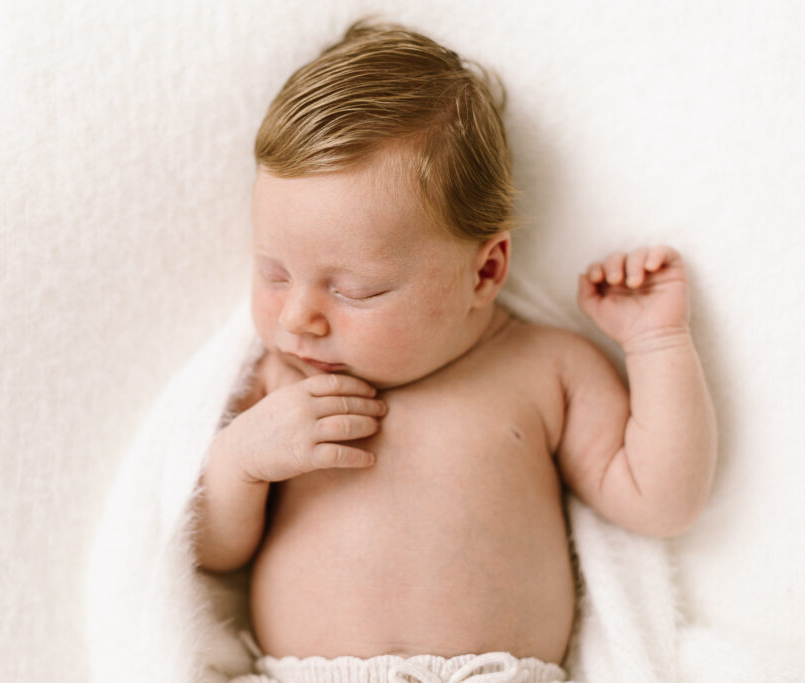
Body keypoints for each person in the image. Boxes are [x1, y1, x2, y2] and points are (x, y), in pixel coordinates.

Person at [192, 19, 716, 683]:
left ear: (486, 271)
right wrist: (242, 460)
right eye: (273, 273)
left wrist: (657, 341)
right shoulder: (277, 383)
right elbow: (212, 550)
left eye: (355, 289)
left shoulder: (545, 368)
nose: (298, 316)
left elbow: (662, 499)